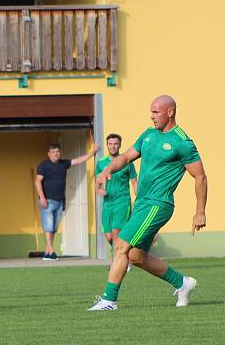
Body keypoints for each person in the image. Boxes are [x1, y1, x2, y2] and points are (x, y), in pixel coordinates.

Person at [88, 95, 207, 311]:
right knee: (135, 256)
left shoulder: (182, 142)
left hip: (158, 204)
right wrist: (107, 170)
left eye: (156, 112)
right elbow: (124, 158)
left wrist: (200, 212)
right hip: (142, 203)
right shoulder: (148, 135)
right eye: (151, 111)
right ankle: (183, 283)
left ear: (170, 112)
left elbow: (200, 177)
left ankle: (108, 300)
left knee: (121, 245)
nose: (151, 116)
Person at [35, 142, 98, 260]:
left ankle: (47, 253)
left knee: (53, 228)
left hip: (59, 200)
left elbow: (78, 160)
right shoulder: (43, 165)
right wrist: (42, 197)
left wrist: (92, 152)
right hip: (47, 200)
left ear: (60, 153)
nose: (55, 154)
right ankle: (52, 251)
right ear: (48, 154)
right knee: (48, 226)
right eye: (53, 152)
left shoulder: (63, 164)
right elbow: (37, 181)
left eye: (57, 152)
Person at [95, 134, 138, 256]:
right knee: (108, 236)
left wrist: (139, 198)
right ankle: (125, 253)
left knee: (116, 234)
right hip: (108, 203)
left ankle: (117, 263)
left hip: (122, 202)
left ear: (119, 145)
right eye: (110, 144)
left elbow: (134, 182)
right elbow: (97, 183)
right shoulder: (101, 163)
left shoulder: (127, 162)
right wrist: (99, 191)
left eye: (115, 144)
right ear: (107, 145)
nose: (113, 146)